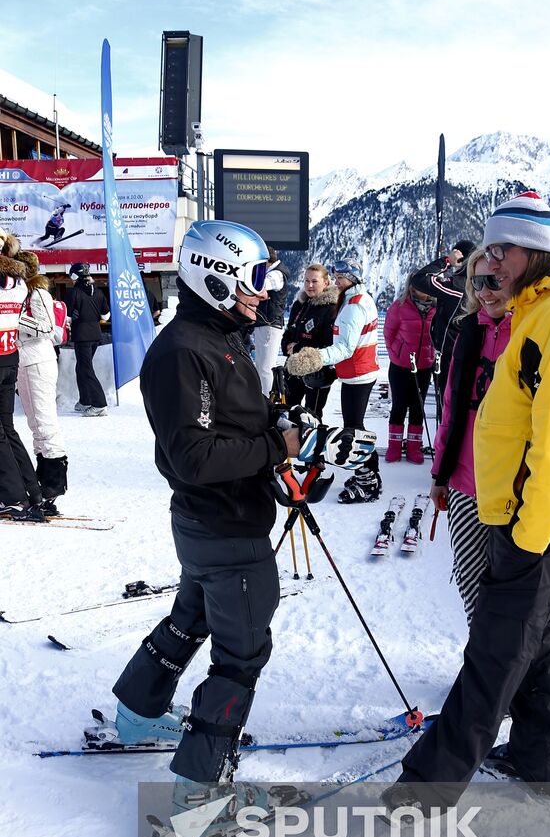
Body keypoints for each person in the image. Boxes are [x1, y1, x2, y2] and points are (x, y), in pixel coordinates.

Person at [105, 220, 373, 798]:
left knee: (192, 618)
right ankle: (195, 792)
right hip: (224, 526)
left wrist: (274, 422)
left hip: (214, 523)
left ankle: (137, 713)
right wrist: (279, 446)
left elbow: (224, 420)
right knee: (241, 652)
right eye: (253, 281)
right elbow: (194, 457)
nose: (265, 293)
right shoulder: (184, 351)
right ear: (216, 279)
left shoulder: (218, 336)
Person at [384, 191, 550, 811]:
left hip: (540, 520)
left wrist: (527, 533)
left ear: (537, 252)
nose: (490, 260)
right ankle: (546, 761)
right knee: (536, 641)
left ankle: (422, 791)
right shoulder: (544, 307)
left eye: (502, 248)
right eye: (488, 247)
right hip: (526, 513)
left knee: (494, 653)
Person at [430, 249, 512, 623]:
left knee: (511, 588)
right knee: (470, 579)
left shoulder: (534, 331)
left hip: (515, 488)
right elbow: (450, 409)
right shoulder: (467, 331)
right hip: (464, 481)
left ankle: (508, 669)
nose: (485, 292)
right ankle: (481, 663)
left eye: (493, 281)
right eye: (477, 283)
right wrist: (439, 475)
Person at [285, 256, 382, 503]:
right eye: (337, 277)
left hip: (357, 373)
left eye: (340, 278)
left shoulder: (354, 306)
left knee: (354, 430)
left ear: (352, 279)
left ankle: (368, 481)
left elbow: (345, 348)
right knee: (354, 426)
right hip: (356, 372)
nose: (336, 282)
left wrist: (314, 357)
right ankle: (368, 475)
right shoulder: (354, 299)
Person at [16, 250, 68, 513]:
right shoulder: (24, 294)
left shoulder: (38, 294)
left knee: (45, 422)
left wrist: (17, 317)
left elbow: (48, 329)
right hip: (25, 361)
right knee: (36, 424)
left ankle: (52, 488)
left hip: (38, 361)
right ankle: (43, 485)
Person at [0, 229, 45, 521]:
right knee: (7, 427)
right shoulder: (18, 282)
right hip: (9, 358)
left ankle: (12, 496)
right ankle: (33, 490)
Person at [411, 239, 475, 405]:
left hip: (450, 356)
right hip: (468, 355)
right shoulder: (477, 285)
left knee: (447, 407)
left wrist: (446, 260)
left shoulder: (457, 286)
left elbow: (420, 279)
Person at [382, 275, 436, 463]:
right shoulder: (399, 306)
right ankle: (394, 447)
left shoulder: (437, 308)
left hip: (424, 366)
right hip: (400, 366)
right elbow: (388, 334)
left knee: (417, 407)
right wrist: (397, 354)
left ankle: (414, 447)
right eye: (421, 285)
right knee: (398, 405)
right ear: (412, 287)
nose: (425, 289)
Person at [281, 263, 339, 418]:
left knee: (312, 414)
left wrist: (298, 347)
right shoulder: (299, 304)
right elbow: (288, 333)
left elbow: (328, 342)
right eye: (306, 281)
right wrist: (286, 345)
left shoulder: (331, 308)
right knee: (289, 410)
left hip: (317, 371)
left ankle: (312, 441)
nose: (309, 285)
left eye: (314, 281)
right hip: (293, 367)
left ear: (326, 283)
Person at [67, 262, 110, 416]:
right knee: (82, 366)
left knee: (86, 369)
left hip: (81, 335)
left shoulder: (74, 292)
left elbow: (67, 317)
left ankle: (99, 404)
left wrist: (75, 316)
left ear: (74, 276)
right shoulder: (98, 292)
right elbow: (106, 316)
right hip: (96, 335)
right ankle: (85, 400)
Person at [253, 246, 289, 396]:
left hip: (269, 323)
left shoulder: (276, 274)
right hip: (266, 323)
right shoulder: (275, 272)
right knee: (262, 366)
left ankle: (266, 398)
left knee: (265, 367)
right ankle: (264, 397)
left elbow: (259, 286)